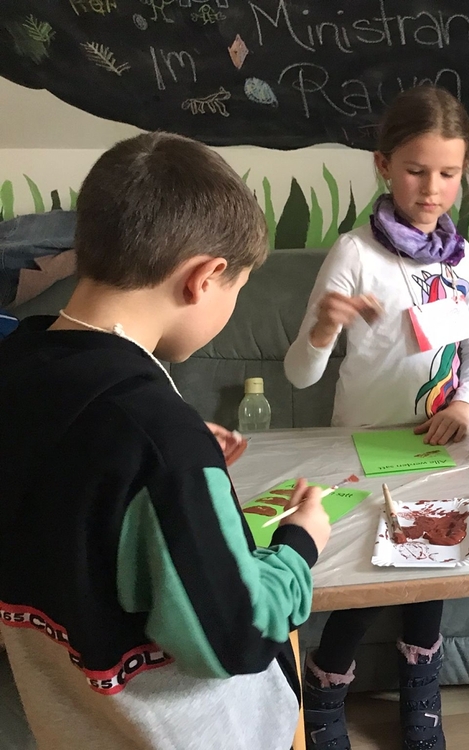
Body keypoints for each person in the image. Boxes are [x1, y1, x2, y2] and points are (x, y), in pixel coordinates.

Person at [0, 132, 331, 750]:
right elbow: (234, 636)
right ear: (204, 278)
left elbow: (71, 474)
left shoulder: (18, 365)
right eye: (237, 289)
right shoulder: (158, 440)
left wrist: (164, 455)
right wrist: (298, 545)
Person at [284, 85, 469, 750]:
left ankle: (420, 689)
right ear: (383, 166)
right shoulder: (354, 254)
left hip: (439, 444)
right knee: (369, 578)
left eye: (449, 174)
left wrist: (463, 404)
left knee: (435, 562)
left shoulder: (465, 262)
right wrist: (323, 328)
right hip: (364, 448)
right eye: (416, 170)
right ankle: (326, 686)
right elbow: (299, 374)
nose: (432, 190)